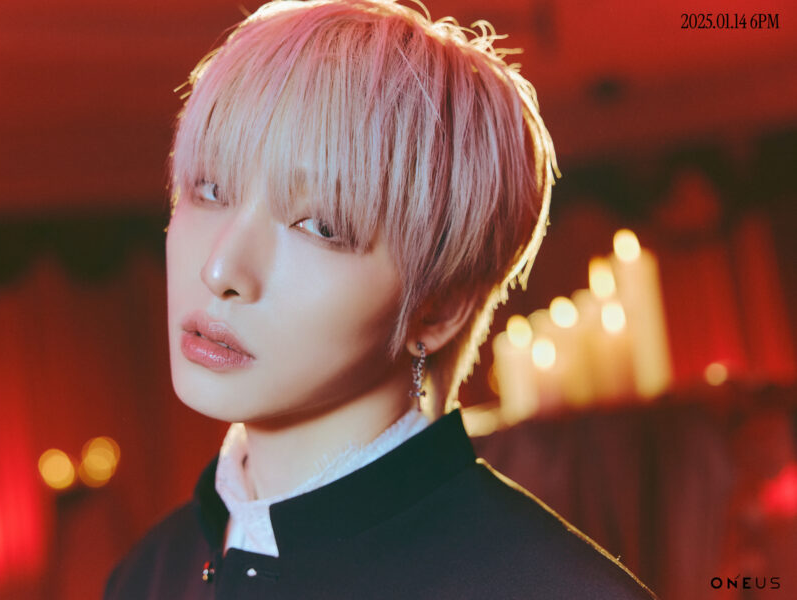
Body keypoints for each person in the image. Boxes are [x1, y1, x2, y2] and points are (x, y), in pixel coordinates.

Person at [104, 0, 656, 597]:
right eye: (210, 189)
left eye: (319, 226)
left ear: (438, 309)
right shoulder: (149, 574)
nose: (220, 270)